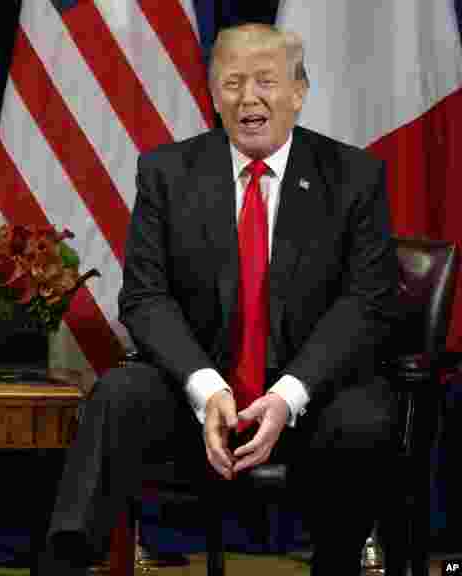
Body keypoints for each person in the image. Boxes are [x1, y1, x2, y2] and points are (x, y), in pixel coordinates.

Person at [39, 23, 399, 575]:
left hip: (309, 404)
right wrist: (205, 388)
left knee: (365, 417)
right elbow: (144, 296)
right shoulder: (167, 173)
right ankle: (64, 562)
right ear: (212, 96)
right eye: (231, 83)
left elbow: (365, 303)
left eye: (265, 81)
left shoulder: (353, 176)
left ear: (299, 93)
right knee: (117, 394)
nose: (248, 98)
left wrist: (288, 395)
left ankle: (337, 563)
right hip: (200, 400)